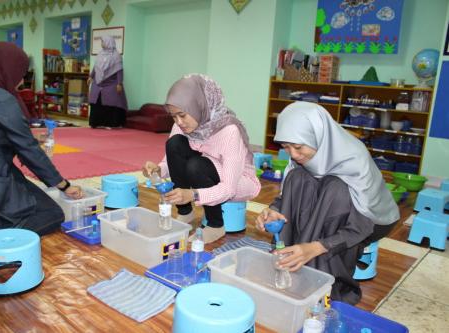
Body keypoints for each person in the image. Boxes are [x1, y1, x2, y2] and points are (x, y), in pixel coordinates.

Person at [0, 42, 83, 276]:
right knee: (51, 214)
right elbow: (29, 151)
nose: (21, 82)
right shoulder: (1, 99)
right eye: (20, 75)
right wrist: (64, 185)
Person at [255, 101, 399, 304]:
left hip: (368, 222)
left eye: (298, 147)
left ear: (318, 135)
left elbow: (361, 224)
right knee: (298, 177)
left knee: (335, 188)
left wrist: (315, 247)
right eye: (286, 147)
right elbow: (287, 196)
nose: (293, 154)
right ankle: (289, 259)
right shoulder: (299, 159)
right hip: (331, 211)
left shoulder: (354, 160)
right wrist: (274, 210)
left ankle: (321, 281)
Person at [143, 74, 261, 244]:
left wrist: (192, 194)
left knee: (196, 165)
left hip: (238, 181)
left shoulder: (229, 131)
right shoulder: (181, 124)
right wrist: (157, 170)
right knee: (175, 143)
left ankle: (215, 225)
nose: (179, 122)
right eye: (174, 116)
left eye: (182, 115)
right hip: (205, 168)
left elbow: (229, 188)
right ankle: (185, 212)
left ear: (198, 106)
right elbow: (171, 159)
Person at [88, 35, 128, 129]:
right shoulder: (100, 54)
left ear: (108, 42)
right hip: (98, 83)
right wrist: (91, 76)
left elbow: (119, 70)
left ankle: (110, 124)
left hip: (111, 84)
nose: (101, 44)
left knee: (111, 103)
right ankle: (96, 123)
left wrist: (119, 83)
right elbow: (95, 67)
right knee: (97, 102)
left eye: (103, 42)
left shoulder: (116, 56)